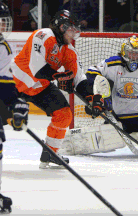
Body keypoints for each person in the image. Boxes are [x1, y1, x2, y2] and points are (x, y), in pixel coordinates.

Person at [11, 9, 104, 169]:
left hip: (39, 86)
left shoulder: (69, 51)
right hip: (14, 82)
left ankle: (50, 153)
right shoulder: (43, 35)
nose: (73, 35)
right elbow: (36, 68)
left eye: (76, 31)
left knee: (64, 114)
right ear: (61, 27)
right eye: (71, 30)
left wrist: (92, 98)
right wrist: (59, 77)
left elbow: (79, 79)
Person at [0, 2, 31, 213]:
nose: (3, 26)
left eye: (3, 22)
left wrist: (15, 103)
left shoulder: (3, 48)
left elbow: (4, 85)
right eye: (0, 22)